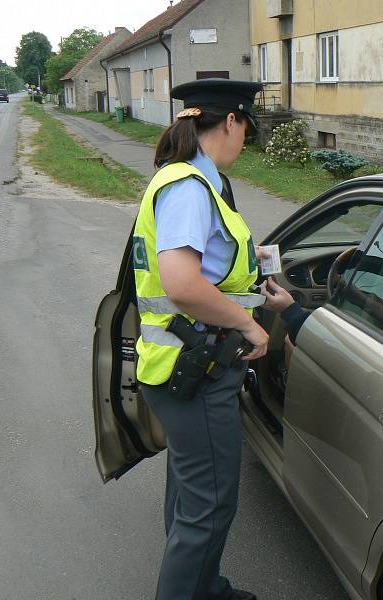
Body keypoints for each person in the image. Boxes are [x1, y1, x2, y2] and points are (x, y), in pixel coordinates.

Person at [133, 78, 269, 600]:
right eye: (246, 129)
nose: (245, 141)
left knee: (194, 500)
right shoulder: (191, 187)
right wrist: (246, 322)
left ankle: (204, 587)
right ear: (231, 121)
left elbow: (205, 268)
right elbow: (182, 282)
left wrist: (255, 284)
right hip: (195, 369)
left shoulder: (190, 180)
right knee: (209, 506)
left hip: (183, 366)